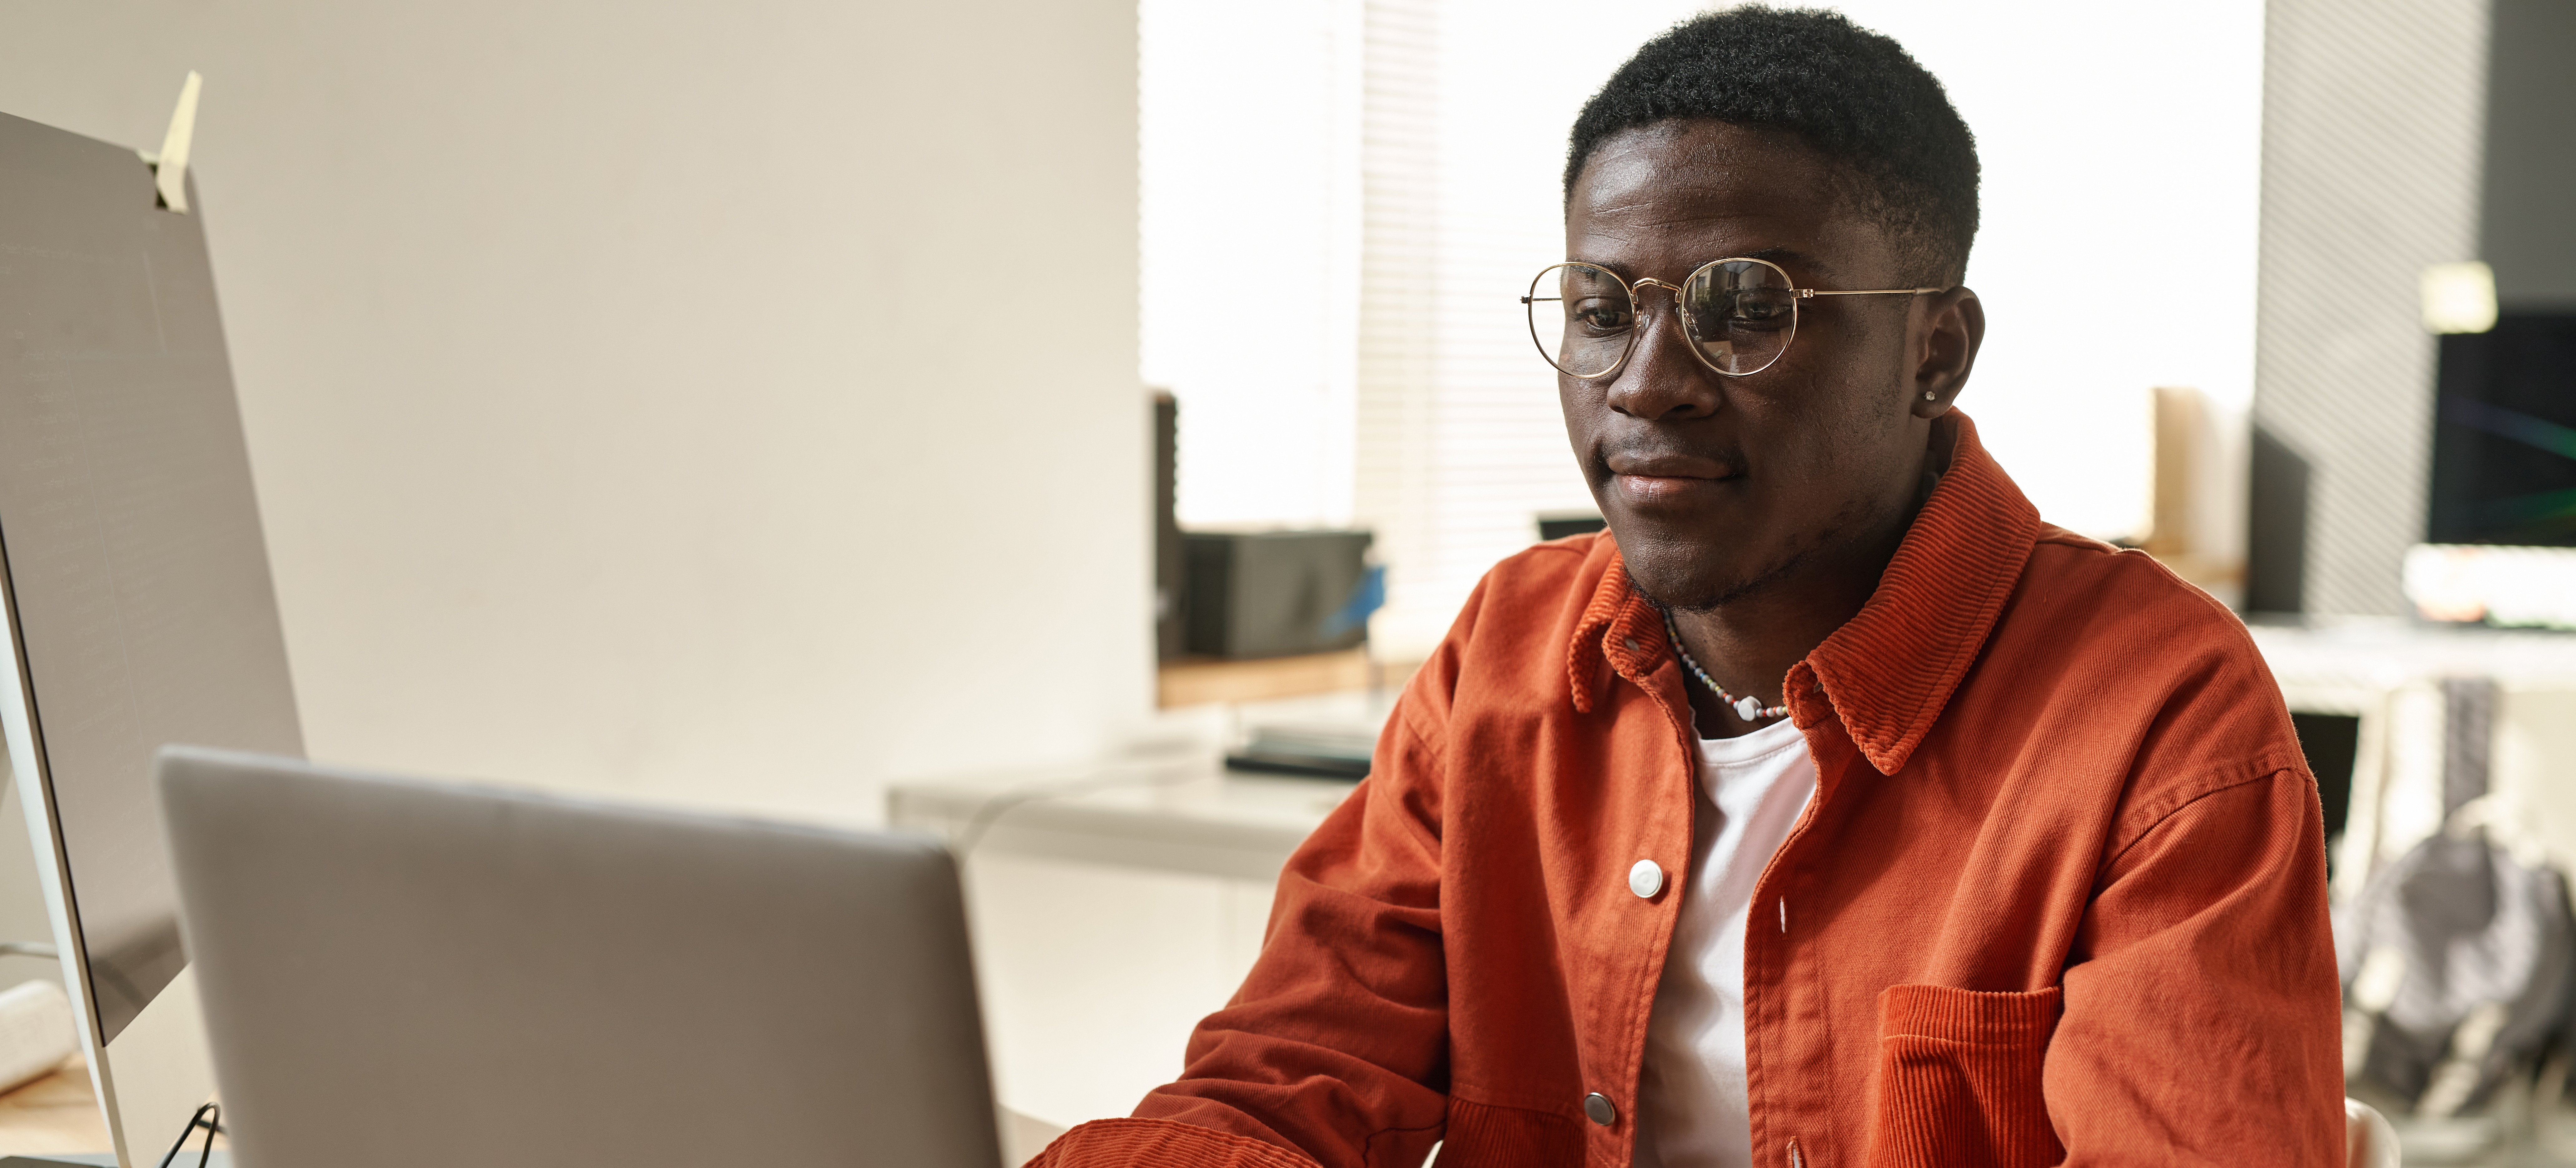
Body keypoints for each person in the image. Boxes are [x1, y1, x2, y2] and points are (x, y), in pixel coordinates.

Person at [1034, 8, 2343, 1166]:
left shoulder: (2162, 720)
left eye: (1744, 307)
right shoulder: (1504, 648)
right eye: (1603, 307)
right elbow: (1285, 1082)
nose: (1647, 380)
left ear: (1932, 352)